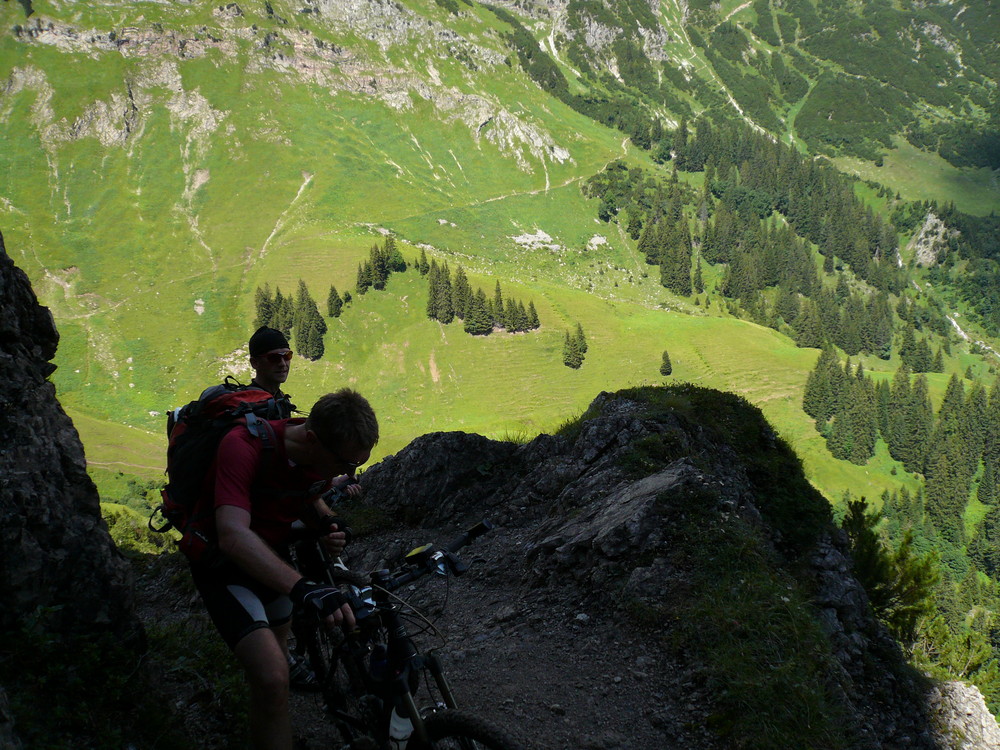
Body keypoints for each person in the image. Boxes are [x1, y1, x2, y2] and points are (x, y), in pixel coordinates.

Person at [188, 388, 379, 750]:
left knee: (277, 676)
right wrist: (303, 587)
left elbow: (307, 496)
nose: (348, 473)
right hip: (221, 564)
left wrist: (328, 524)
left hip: (269, 556)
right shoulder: (242, 445)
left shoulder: (318, 456)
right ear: (311, 439)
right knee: (273, 677)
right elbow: (231, 535)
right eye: (344, 465)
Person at [248, 326, 294, 399]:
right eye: (274, 358)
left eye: (287, 356)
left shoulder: (280, 399)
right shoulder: (248, 404)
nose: (283, 363)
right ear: (255, 363)